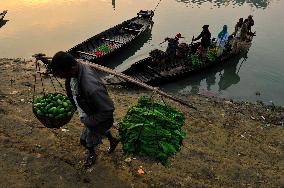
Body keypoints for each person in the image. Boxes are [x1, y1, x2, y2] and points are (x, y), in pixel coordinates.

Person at [48, 51, 119, 167]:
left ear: (70, 69)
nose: (60, 77)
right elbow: (60, 66)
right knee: (100, 130)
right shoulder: (76, 66)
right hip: (88, 107)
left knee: (85, 141)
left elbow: (108, 110)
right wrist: (45, 61)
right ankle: (113, 140)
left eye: (61, 75)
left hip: (95, 116)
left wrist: (88, 121)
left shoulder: (92, 88)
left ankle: (92, 154)